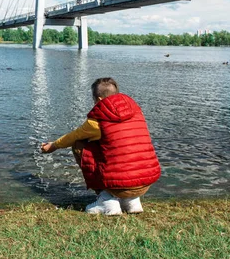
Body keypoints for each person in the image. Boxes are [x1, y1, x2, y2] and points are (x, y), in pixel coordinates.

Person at [41, 77, 161, 215]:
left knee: (78, 144)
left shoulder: (98, 121)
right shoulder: (137, 113)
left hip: (120, 186)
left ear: (98, 100)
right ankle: (132, 201)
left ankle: (107, 201)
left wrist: (54, 146)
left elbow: (74, 136)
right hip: (145, 181)